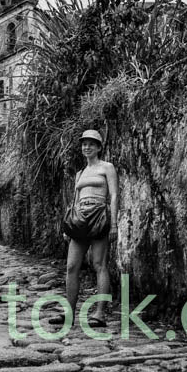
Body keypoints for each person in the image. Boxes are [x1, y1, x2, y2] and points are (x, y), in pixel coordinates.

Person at [63, 129, 119, 328]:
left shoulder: (107, 167)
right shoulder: (80, 173)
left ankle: (100, 313)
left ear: (99, 147)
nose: (87, 147)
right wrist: (68, 226)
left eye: (91, 144)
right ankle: (69, 313)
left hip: (99, 216)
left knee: (99, 264)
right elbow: (75, 200)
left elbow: (113, 196)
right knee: (71, 266)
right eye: (84, 144)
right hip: (80, 220)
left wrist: (114, 224)